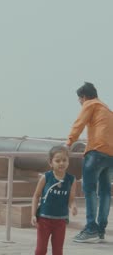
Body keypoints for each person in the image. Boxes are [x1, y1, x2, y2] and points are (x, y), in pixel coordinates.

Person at [66, 82, 113, 243]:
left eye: (79, 99)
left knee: (90, 190)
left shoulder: (90, 104)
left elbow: (79, 123)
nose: (80, 102)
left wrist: (68, 143)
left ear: (83, 97)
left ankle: (91, 227)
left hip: (96, 152)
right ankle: (101, 230)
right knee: (106, 192)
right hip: (110, 155)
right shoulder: (106, 109)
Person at [31, 145, 78, 255]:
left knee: (58, 250)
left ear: (68, 162)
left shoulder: (71, 180)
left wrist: (73, 207)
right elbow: (36, 196)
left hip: (60, 221)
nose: (61, 163)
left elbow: (71, 199)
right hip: (44, 220)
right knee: (41, 250)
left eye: (64, 160)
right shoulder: (46, 177)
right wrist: (33, 214)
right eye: (57, 160)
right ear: (51, 163)